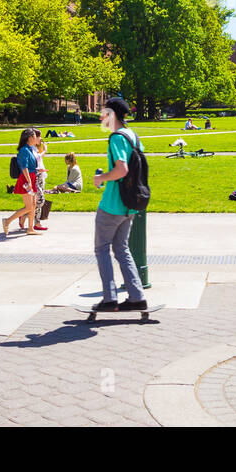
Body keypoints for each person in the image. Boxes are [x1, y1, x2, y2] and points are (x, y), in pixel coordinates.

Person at [90, 98, 148, 312]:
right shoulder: (133, 135)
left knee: (102, 249)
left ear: (112, 115)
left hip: (113, 204)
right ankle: (136, 297)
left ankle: (109, 299)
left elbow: (122, 170)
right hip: (130, 205)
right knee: (122, 249)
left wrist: (101, 178)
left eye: (104, 112)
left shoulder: (116, 138)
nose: (101, 117)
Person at [4, 129, 46, 235]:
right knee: (28, 206)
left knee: (33, 204)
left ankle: (30, 228)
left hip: (31, 177)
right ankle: (7, 221)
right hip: (26, 180)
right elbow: (24, 167)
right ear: (29, 138)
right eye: (34, 136)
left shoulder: (29, 149)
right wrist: (29, 181)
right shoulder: (24, 150)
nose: (36, 138)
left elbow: (31, 166)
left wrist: (38, 170)